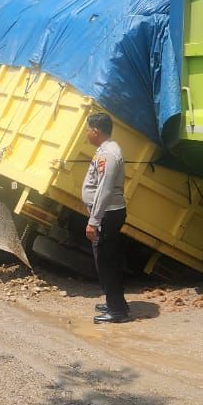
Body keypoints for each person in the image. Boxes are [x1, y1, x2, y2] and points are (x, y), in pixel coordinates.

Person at [82, 111, 129, 324]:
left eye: (87, 129)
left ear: (95, 131)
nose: (86, 133)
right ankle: (115, 302)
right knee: (106, 259)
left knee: (106, 261)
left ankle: (117, 311)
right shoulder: (105, 150)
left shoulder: (108, 154)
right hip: (106, 213)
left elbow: (105, 189)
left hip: (107, 214)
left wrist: (94, 220)